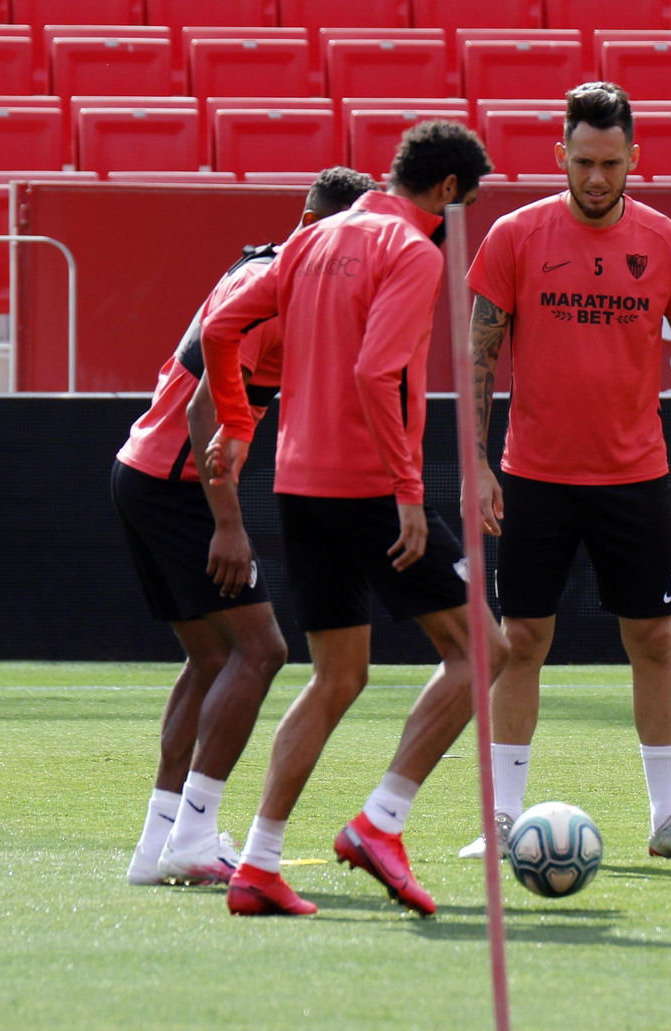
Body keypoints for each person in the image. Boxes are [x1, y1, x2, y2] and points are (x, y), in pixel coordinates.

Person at [201, 121, 502, 917]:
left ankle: (258, 864)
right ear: (445, 191)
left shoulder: (313, 239)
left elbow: (221, 327)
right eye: (460, 204)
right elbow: (379, 371)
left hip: (298, 484)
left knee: (337, 676)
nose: (455, 217)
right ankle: (381, 821)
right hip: (368, 485)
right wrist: (408, 489)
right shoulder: (412, 252)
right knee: (484, 647)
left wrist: (236, 423)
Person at [460, 82, 671, 863]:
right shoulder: (515, 236)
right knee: (522, 641)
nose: (594, 178)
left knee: (653, 639)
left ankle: (668, 820)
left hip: (635, 477)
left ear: (632, 160)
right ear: (561, 155)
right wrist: (477, 463)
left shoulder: (669, 241)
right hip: (536, 477)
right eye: (582, 162)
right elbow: (478, 356)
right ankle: (503, 821)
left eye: (609, 164)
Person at [116, 168, 376, 887]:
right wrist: (228, 526)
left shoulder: (266, 267)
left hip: (145, 471)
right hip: (176, 484)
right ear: (310, 221)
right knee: (261, 652)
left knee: (211, 659)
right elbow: (204, 411)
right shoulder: (275, 291)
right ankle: (196, 834)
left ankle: (158, 844)